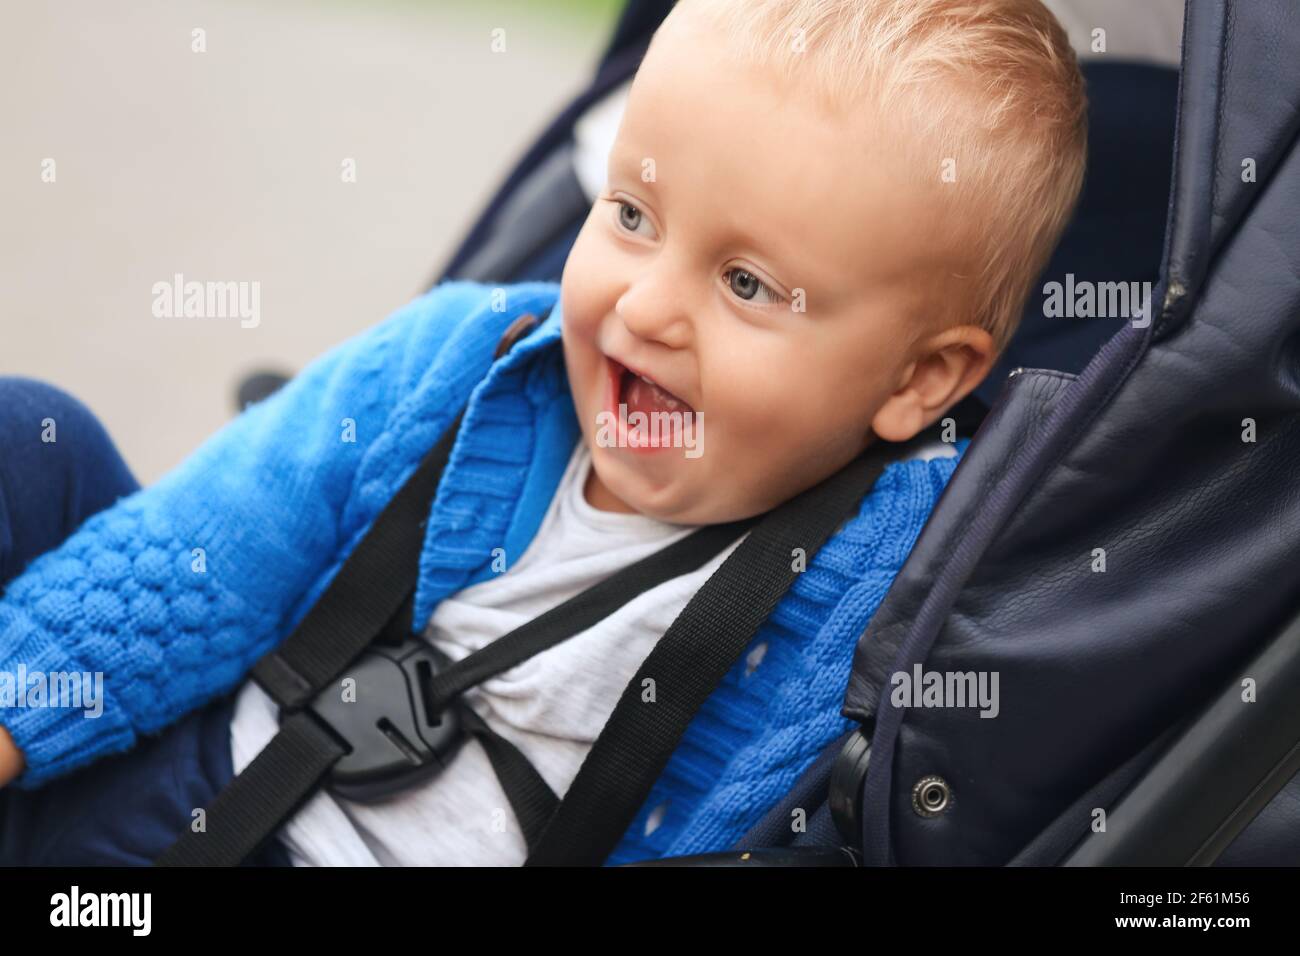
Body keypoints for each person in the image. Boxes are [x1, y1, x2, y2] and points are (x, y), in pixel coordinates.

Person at [0, 0, 1086, 865]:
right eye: (631, 216)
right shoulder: (460, 356)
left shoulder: (876, 598)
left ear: (916, 379)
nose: (648, 306)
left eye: (747, 283)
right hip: (169, 770)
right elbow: (207, 550)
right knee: (29, 434)